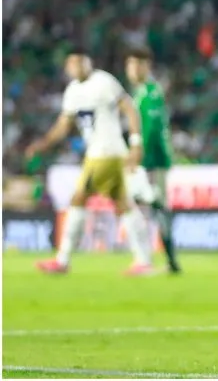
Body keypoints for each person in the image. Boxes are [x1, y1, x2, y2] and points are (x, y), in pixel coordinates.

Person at [26, 47, 153, 276]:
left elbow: (130, 109)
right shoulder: (73, 91)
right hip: (97, 153)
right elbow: (64, 125)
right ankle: (143, 260)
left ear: (89, 62)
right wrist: (42, 144)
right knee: (123, 204)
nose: (79, 67)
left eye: (82, 62)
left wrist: (135, 142)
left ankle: (63, 260)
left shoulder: (104, 82)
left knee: (79, 198)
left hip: (107, 151)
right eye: (74, 63)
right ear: (68, 68)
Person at [125, 48, 182, 274]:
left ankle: (159, 260)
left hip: (152, 161)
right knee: (150, 206)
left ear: (146, 66)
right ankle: (164, 260)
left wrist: (138, 157)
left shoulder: (150, 93)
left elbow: (151, 130)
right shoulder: (141, 92)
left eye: (137, 65)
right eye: (130, 65)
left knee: (154, 206)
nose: (132, 69)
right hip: (148, 161)